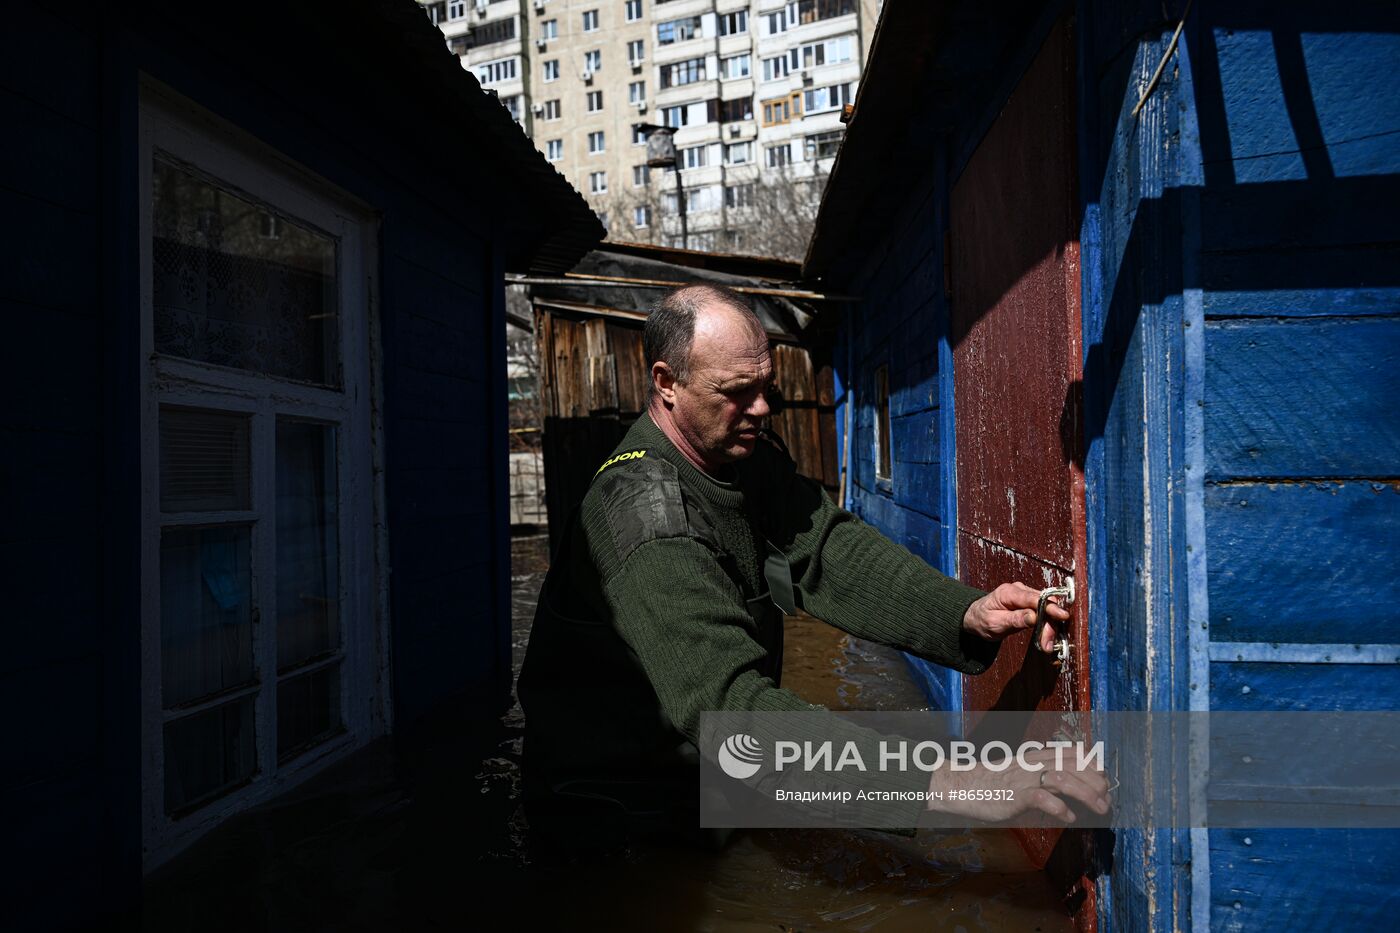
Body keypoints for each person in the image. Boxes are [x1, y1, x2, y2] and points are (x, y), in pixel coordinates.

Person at [517, 284, 1106, 847]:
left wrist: (966, 613)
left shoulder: (734, 456)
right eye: (737, 391)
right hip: (619, 822)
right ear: (667, 384)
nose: (763, 407)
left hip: (701, 791)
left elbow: (827, 551)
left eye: (766, 386)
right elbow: (730, 713)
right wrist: (956, 781)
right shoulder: (648, 519)